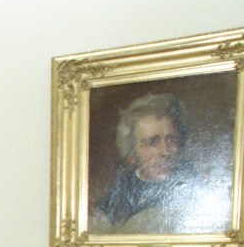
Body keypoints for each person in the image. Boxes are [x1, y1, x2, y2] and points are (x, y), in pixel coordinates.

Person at [91, 92, 231, 234]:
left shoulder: (194, 183)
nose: (165, 151)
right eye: (153, 142)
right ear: (132, 153)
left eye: (171, 139)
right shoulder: (122, 188)